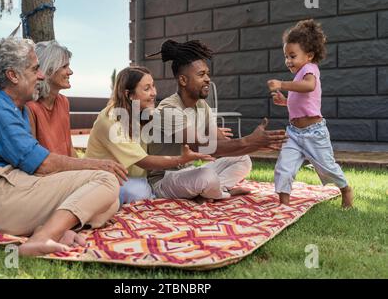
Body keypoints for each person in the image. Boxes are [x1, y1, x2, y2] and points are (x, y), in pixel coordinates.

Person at [0, 37, 128, 257]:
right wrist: (98, 165)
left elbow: (32, 168)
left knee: (108, 201)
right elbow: (41, 165)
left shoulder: (17, 107)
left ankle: (50, 229)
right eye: (35, 69)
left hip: (7, 191)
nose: (41, 75)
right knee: (105, 180)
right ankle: (40, 239)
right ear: (13, 75)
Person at [147, 39, 288, 201]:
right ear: (183, 80)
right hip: (164, 179)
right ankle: (219, 192)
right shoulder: (169, 109)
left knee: (243, 160)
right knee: (206, 176)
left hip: (188, 173)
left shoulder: (202, 106)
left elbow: (221, 145)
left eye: (207, 73)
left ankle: (210, 191)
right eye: (201, 74)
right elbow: (202, 146)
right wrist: (248, 141)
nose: (207, 78)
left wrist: (255, 146)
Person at [85, 66, 215, 205]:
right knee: (139, 193)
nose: (153, 93)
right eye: (147, 89)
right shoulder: (111, 120)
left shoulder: (145, 113)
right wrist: (181, 159)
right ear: (129, 94)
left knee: (212, 171)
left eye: (153, 86)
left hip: (139, 179)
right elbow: (144, 161)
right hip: (105, 179)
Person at [267, 19, 353, 208]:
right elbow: (301, 101)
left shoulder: (310, 70)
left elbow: (309, 86)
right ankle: (284, 205)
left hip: (314, 132)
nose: (288, 61)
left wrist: (282, 84)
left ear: (309, 55)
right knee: (284, 167)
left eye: (292, 56)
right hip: (294, 133)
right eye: (286, 56)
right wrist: (285, 101)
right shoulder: (299, 75)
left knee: (327, 167)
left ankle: (346, 190)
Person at [26, 40, 77, 157]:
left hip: (67, 170)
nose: (70, 72)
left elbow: (70, 149)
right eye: (64, 66)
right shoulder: (30, 107)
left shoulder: (63, 102)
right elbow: (33, 158)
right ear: (47, 70)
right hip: (48, 172)